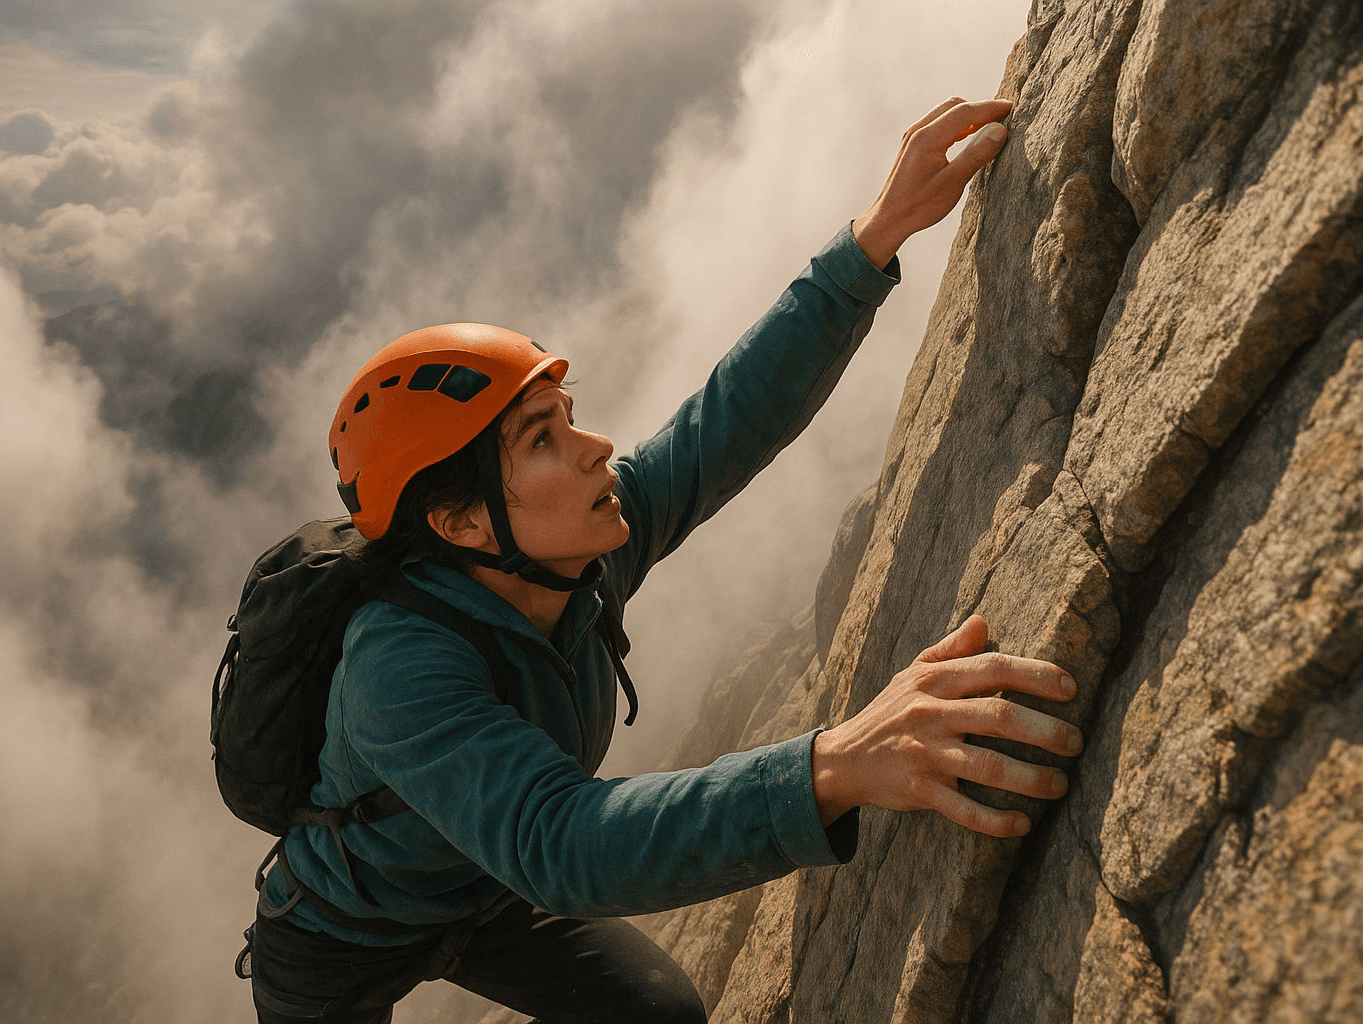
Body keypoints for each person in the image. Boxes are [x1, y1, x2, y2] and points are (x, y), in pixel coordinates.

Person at [248, 96, 1083, 1024]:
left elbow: (718, 428)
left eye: (569, 418)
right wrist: (835, 764)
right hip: (336, 942)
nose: (597, 447)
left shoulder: (573, 557)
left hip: (480, 896)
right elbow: (562, 844)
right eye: (541, 441)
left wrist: (870, 242)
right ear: (462, 524)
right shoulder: (396, 667)